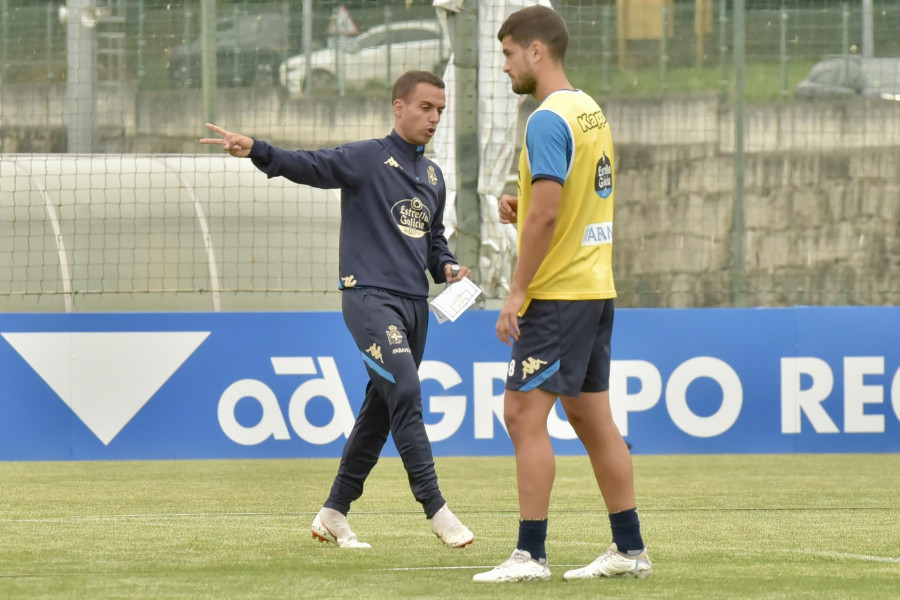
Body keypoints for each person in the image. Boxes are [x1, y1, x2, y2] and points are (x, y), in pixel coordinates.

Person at [200, 70, 474, 550]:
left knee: (382, 409)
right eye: (426, 108)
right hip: (369, 299)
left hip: (416, 307)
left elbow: (433, 242)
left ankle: (333, 512)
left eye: (440, 111)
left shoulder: (433, 176)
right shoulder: (368, 157)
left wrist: (449, 268)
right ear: (399, 106)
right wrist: (258, 149)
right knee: (405, 389)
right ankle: (436, 509)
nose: (433, 118)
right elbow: (310, 165)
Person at [473, 6, 652, 582]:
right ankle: (629, 550)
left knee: (522, 414)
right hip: (595, 287)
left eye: (507, 54)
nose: (504, 68)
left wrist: (516, 292)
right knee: (591, 417)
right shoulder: (588, 110)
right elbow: (565, 203)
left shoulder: (547, 119)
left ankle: (530, 555)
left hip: (559, 292)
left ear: (536, 51)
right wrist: (521, 207)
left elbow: (549, 215)